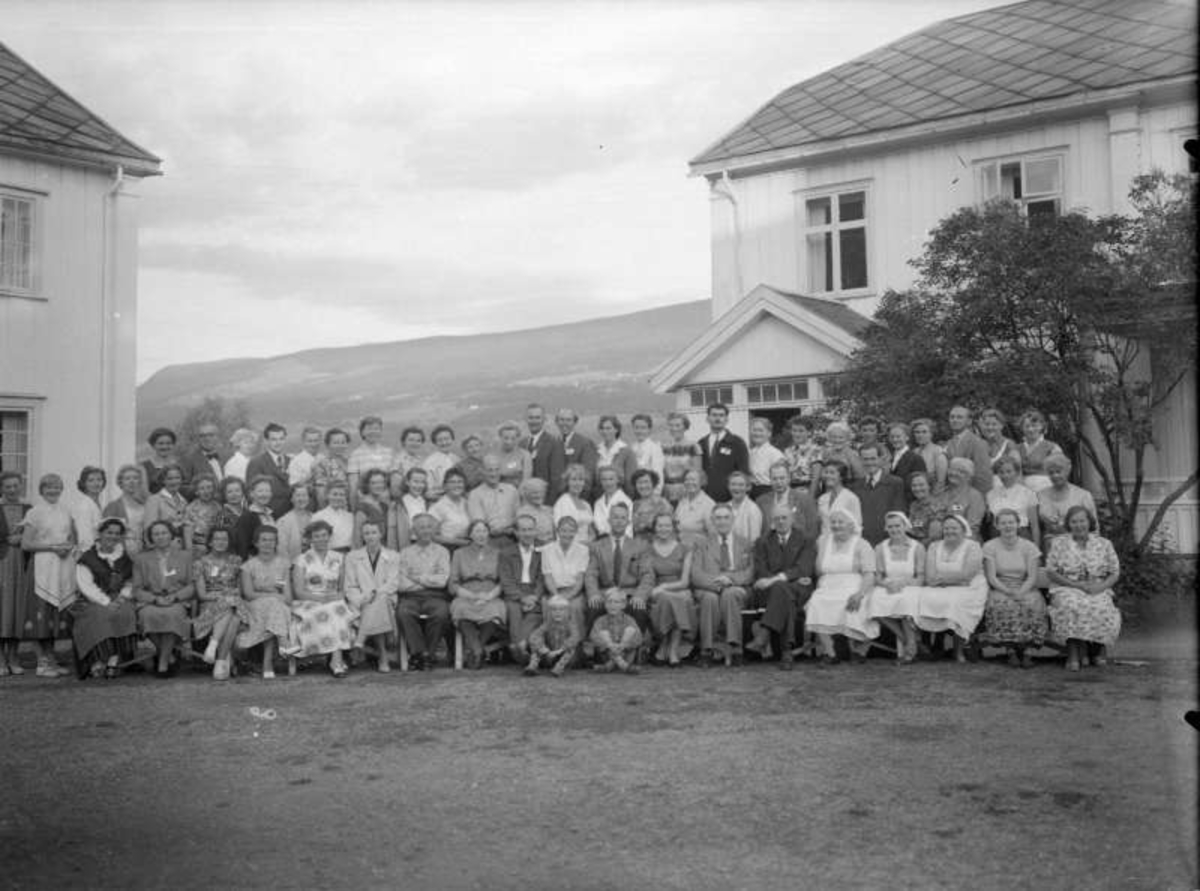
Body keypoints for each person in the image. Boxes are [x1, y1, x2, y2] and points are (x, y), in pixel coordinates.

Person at [1045, 505, 1122, 672]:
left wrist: (1100, 587)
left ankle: (1098, 648)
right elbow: (1051, 571)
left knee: (1101, 605)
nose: (1078, 525)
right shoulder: (1059, 543)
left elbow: (1115, 572)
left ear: (1089, 522)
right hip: (1066, 586)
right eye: (1074, 521)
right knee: (1071, 604)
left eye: (1082, 521)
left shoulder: (1104, 544)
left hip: (1097, 586)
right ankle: (1073, 653)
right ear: (1068, 524)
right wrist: (1074, 585)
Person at [19, 473, 76, 677]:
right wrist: (52, 547)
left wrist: (67, 546)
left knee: (55, 614)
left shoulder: (66, 510)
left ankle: (51, 659)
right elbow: (26, 544)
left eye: (57, 487)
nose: (53, 490)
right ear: (41, 490)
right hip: (42, 566)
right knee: (41, 613)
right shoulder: (35, 512)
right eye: (49, 487)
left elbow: (70, 537)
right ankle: (41, 663)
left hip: (61, 566)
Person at [804, 508, 879, 664]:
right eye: (833, 522)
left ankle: (858, 650)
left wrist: (860, 594)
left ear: (851, 525)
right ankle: (830, 652)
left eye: (841, 522)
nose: (836, 525)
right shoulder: (822, 541)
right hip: (827, 586)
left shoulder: (861, 544)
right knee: (816, 603)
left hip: (854, 585)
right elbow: (814, 568)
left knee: (857, 604)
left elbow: (869, 573)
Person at [747, 504, 817, 670]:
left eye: (784, 517)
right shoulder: (763, 541)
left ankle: (764, 634)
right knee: (783, 593)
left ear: (792, 520)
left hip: (800, 588)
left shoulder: (806, 540)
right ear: (772, 521)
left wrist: (776, 579)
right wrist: (775, 582)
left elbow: (804, 568)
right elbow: (761, 569)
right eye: (777, 518)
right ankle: (787, 651)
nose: (780, 521)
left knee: (781, 590)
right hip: (771, 591)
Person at [69, 516, 138, 679]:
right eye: (109, 532)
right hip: (93, 598)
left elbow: (131, 580)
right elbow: (86, 585)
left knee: (125, 613)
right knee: (98, 615)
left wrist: (122, 597)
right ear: (100, 533)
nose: (113, 537)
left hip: (120, 597)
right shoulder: (88, 557)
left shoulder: (125, 556)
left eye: (117, 533)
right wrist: (106, 602)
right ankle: (97, 660)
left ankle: (114, 661)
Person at [914, 514, 988, 662]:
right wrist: (952, 579)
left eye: (954, 528)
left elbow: (967, 575)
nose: (949, 531)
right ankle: (926, 647)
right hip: (943, 586)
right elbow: (930, 576)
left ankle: (958, 650)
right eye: (946, 528)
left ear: (963, 529)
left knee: (957, 602)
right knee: (920, 598)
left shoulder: (972, 546)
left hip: (971, 588)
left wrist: (942, 578)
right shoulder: (935, 546)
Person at [691, 504, 755, 667]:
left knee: (730, 594)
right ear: (712, 520)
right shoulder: (702, 543)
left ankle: (736, 649)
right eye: (718, 518)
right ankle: (706, 650)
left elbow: (750, 572)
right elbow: (696, 573)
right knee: (710, 598)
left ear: (733, 519)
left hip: (736, 587)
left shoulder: (745, 543)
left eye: (726, 517)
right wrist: (717, 584)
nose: (722, 521)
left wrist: (730, 580)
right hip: (709, 588)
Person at [979, 508, 1045, 668]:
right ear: (997, 526)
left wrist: (1021, 591)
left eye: (1011, 522)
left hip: (1025, 586)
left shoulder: (1029, 547)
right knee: (1001, 604)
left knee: (1032, 603)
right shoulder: (989, 546)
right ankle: (1010, 650)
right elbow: (992, 577)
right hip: (1001, 587)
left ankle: (1028, 651)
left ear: (1018, 524)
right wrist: (1008, 591)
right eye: (1003, 523)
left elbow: (1032, 576)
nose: (1007, 526)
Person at [291, 519, 353, 677]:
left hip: (333, 598)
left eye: (324, 535)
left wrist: (335, 597)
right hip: (308, 600)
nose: (321, 539)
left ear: (329, 536)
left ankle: (335, 660)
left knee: (336, 609)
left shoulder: (339, 557)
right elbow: (298, 591)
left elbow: (342, 588)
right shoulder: (301, 559)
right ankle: (337, 661)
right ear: (310, 539)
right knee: (327, 611)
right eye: (316, 536)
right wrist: (319, 599)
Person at [132, 519, 195, 677]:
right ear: (151, 538)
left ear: (171, 535)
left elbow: (192, 585)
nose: (160, 537)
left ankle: (162, 664)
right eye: (156, 534)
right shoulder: (141, 559)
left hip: (177, 600)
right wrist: (154, 599)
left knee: (171, 615)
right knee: (147, 615)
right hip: (151, 600)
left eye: (164, 533)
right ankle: (168, 656)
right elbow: (137, 589)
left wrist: (175, 597)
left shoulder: (185, 556)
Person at [236, 524, 295, 679]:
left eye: (272, 540)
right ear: (256, 543)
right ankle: (284, 644)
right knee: (272, 606)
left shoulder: (284, 564)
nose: (268, 543)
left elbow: (288, 597)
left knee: (274, 609)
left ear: (276, 543)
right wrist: (273, 596)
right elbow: (248, 594)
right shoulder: (248, 566)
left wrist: (275, 598)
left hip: (279, 607)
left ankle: (267, 663)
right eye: (264, 540)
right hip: (254, 606)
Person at [584, 502, 651, 639]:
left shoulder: (640, 545)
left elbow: (647, 575)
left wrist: (640, 595)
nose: (619, 521)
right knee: (593, 607)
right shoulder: (597, 546)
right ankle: (596, 649)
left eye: (623, 518)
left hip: (629, 594)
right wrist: (593, 594)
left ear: (628, 522)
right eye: (615, 517)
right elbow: (591, 573)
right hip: (605, 593)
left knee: (639, 609)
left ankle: (634, 647)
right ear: (609, 520)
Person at [396, 513, 452, 671]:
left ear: (434, 529)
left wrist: (416, 577)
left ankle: (425, 654)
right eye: (421, 527)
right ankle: (423, 654)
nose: (426, 530)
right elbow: (401, 584)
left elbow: (442, 580)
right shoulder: (405, 553)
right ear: (414, 531)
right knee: (404, 613)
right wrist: (428, 581)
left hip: (435, 596)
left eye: (429, 526)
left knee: (441, 613)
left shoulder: (442, 552)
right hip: (410, 597)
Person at [344, 519, 401, 672]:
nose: (370, 536)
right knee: (376, 606)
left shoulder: (393, 556)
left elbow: (393, 583)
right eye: (366, 533)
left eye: (374, 532)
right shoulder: (352, 557)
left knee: (380, 601)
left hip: (386, 597)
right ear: (362, 536)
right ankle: (382, 656)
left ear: (381, 534)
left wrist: (374, 594)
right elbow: (350, 586)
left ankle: (360, 641)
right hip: (361, 601)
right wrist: (363, 598)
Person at [868, 512, 925, 664]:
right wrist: (886, 584)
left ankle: (910, 648)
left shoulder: (917, 547)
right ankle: (907, 639)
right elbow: (877, 576)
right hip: (888, 585)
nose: (894, 529)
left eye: (897, 526)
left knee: (906, 601)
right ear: (886, 528)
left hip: (911, 585)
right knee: (873, 600)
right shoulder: (880, 547)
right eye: (890, 526)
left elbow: (920, 577)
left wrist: (904, 584)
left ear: (905, 526)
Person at [448, 519, 505, 669]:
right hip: (466, 594)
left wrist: (489, 596)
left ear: (488, 534)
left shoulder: (498, 553)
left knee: (495, 610)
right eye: (477, 531)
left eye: (484, 531)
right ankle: (478, 650)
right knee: (460, 609)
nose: (481, 535)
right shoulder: (459, 553)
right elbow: (453, 583)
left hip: (491, 594)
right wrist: (473, 596)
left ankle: (475, 650)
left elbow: (503, 581)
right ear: (470, 535)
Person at [191, 526, 246, 680]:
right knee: (233, 616)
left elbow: (240, 590)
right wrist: (223, 596)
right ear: (210, 542)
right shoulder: (200, 563)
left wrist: (228, 596)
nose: (221, 542)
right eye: (217, 539)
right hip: (210, 606)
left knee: (232, 607)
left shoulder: (236, 560)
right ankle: (222, 660)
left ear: (229, 542)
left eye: (224, 539)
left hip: (236, 604)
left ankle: (214, 646)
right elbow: (202, 594)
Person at [642, 513, 695, 667]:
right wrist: (657, 589)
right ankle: (668, 648)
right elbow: (647, 577)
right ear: (654, 528)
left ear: (673, 528)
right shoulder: (647, 550)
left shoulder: (685, 548)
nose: (663, 529)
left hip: (678, 588)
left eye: (667, 525)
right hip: (655, 590)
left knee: (676, 599)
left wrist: (664, 587)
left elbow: (685, 581)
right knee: (667, 600)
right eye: (660, 525)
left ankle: (668, 649)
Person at [498, 513, 547, 661]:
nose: (527, 533)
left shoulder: (543, 550)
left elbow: (543, 577)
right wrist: (522, 598)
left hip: (535, 592)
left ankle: (518, 645)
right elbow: (506, 580)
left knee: (535, 612)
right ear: (516, 532)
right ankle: (521, 645)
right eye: (523, 530)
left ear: (535, 531)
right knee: (513, 610)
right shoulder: (506, 552)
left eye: (530, 529)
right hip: (515, 593)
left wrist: (534, 597)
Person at [0, 472, 32, 675]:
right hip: (2, 562)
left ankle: (13, 656)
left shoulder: (29, 509)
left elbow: (37, 532)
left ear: (21, 486)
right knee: (2, 609)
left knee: (17, 610)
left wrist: (23, 538)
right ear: (2, 488)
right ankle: (0, 659)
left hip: (23, 564)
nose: (12, 490)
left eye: (15, 486)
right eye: (7, 486)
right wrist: (6, 541)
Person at [541, 516, 591, 636]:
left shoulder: (583, 550)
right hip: (554, 590)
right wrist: (557, 596)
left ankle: (577, 641)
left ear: (576, 532)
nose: (567, 534)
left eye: (571, 531)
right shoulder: (547, 550)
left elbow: (580, 579)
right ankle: (552, 642)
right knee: (549, 604)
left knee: (575, 606)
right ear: (557, 531)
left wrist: (568, 596)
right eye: (564, 530)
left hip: (575, 592)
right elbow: (548, 578)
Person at [851, 443, 907, 546]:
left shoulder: (895, 483)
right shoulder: (855, 487)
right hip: (863, 542)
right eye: (865, 459)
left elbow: (898, 514)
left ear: (880, 459)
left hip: (888, 541)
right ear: (860, 460)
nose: (869, 463)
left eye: (873, 458)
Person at [1036, 454, 1097, 549]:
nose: (1055, 475)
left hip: (1079, 545)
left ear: (1067, 472)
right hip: (1050, 545)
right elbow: (1037, 524)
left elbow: (1094, 526)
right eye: (1051, 473)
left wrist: (1093, 548)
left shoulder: (1083, 495)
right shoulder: (1041, 495)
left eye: (1058, 472)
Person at [697, 403, 749, 502]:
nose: (718, 418)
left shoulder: (737, 443)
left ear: (726, 419)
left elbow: (743, 473)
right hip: (705, 498)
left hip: (729, 497)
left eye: (721, 415)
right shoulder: (701, 443)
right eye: (714, 415)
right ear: (707, 419)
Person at [755, 461, 820, 540]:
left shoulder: (805, 500)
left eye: (782, 478)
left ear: (789, 478)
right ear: (770, 480)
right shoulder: (761, 501)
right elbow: (759, 532)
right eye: (775, 479)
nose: (778, 482)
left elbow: (813, 531)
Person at [468, 454, 520, 546]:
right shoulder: (475, 494)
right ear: (482, 471)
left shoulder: (511, 490)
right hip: (489, 539)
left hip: (513, 537)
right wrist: (503, 530)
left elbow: (518, 515)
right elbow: (479, 523)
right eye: (489, 470)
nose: (493, 474)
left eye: (497, 470)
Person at [245, 422, 293, 519]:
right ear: (266, 441)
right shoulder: (256, 462)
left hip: (290, 515)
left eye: (281, 439)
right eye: (273, 439)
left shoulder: (292, 462)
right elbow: (250, 495)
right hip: (268, 516)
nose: (278, 442)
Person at [523, 595, 580, 677]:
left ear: (567, 612)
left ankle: (558, 668)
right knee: (537, 641)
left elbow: (575, 637)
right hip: (549, 654)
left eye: (561, 610)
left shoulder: (570, 624)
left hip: (563, 654)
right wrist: (543, 648)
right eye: (554, 610)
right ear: (550, 612)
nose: (558, 612)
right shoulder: (547, 624)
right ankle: (532, 667)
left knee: (572, 648)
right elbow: (534, 636)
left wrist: (560, 650)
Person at [986, 456, 1039, 542]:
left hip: (1021, 534)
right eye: (1001, 472)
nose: (1005, 475)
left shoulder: (1028, 493)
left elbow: (1034, 525)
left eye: (1009, 472)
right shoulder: (991, 494)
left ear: (1017, 473)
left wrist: (1036, 547)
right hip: (997, 535)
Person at [932, 458, 986, 540]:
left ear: (968, 477)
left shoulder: (974, 496)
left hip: (965, 539)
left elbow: (973, 528)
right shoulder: (942, 493)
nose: (953, 473)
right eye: (951, 470)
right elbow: (934, 516)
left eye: (960, 472)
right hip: (941, 538)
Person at [589, 590, 642, 674]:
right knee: (603, 633)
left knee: (630, 631)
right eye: (609, 602)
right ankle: (624, 666)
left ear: (623, 605)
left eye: (616, 602)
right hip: (607, 654)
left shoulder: (629, 619)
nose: (612, 605)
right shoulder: (600, 620)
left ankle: (608, 666)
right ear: (605, 605)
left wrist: (622, 646)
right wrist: (610, 645)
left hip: (626, 654)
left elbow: (638, 637)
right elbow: (593, 636)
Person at [944, 406, 993, 494]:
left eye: (959, 417)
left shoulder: (978, 443)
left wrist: (978, 499)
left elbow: (983, 476)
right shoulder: (949, 443)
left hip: (971, 495)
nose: (955, 420)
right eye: (952, 417)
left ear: (969, 421)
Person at [103, 464, 148, 556]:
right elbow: (106, 537)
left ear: (140, 482)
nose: (132, 482)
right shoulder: (112, 507)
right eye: (127, 479)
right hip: (121, 555)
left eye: (135, 478)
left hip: (143, 554)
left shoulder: (146, 505)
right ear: (121, 482)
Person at [521, 404, 564, 500]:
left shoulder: (554, 443)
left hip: (544, 500)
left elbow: (556, 479)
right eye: (531, 418)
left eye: (537, 418)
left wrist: (549, 503)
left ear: (544, 419)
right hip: (524, 500)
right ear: (526, 419)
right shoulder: (521, 443)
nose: (534, 421)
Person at [347, 416, 393, 507]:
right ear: (362, 432)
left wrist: (387, 494)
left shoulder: (389, 452)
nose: (373, 431)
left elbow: (392, 480)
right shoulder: (355, 454)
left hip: (386, 499)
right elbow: (354, 485)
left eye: (376, 428)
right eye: (369, 428)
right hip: (365, 500)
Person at [179, 422, 230, 499]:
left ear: (218, 437)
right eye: (202, 436)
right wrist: (202, 492)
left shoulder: (227, 457)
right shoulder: (188, 459)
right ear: (198, 439)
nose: (207, 438)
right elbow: (182, 487)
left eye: (211, 435)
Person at [231, 476, 277, 560]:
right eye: (260, 491)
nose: (264, 494)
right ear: (251, 494)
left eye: (267, 491)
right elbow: (242, 548)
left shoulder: (272, 515)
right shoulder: (246, 518)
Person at [1017, 409, 1063, 493]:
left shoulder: (1052, 447)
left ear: (1041, 426)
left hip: (1046, 489)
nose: (1030, 429)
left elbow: (1060, 472)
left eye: (1034, 426)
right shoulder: (1017, 448)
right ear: (1022, 428)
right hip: (1022, 490)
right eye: (1027, 426)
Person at [661, 411, 702, 504]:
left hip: (685, 491)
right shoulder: (663, 446)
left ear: (685, 427)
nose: (674, 428)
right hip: (666, 491)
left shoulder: (694, 446)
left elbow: (697, 474)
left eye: (678, 425)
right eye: (671, 425)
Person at [557, 409, 599, 496]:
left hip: (578, 494)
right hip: (558, 495)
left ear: (574, 422)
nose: (564, 423)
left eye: (568, 420)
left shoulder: (585, 443)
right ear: (557, 422)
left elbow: (588, 474)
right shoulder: (554, 442)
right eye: (561, 420)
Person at [143, 464, 189, 542]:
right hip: (162, 548)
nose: (174, 481)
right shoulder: (154, 500)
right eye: (169, 478)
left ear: (182, 479)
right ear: (163, 480)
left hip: (181, 548)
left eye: (177, 478)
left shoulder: (184, 501)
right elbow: (148, 529)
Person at [430, 468, 472, 551]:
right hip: (447, 550)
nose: (457, 485)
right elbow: (432, 536)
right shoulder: (438, 507)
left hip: (468, 549)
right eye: (452, 482)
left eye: (460, 482)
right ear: (445, 486)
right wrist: (457, 542)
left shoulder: (468, 503)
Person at [816, 460, 862, 536]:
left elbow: (857, 527)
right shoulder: (822, 498)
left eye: (832, 473)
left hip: (844, 543)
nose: (828, 476)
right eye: (826, 472)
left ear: (841, 476)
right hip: (825, 543)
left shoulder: (851, 498)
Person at [595, 415, 638, 497]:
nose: (605, 431)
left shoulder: (627, 451)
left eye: (608, 428)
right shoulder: (596, 451)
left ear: (616, 429)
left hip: (621, 497)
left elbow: (630, 481)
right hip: (599, 497)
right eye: (602, 428)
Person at [553, 464, 595, 544]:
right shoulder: (563, 502)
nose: (577, 483)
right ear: (567, 482)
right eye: (574, 479)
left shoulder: (586, 505)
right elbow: (561, 532)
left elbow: (591, 532)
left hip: (586, 548)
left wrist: (589, 541)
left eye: (581, 480)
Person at [353, 468, 394, 549]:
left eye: (381, 482)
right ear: (367, 485)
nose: (379, 486)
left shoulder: (384, 506)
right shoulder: (362, 507)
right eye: (374, 483)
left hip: (384, 551)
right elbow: (357, 538)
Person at [182, 474, 222, 556]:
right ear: (196, 492)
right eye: (202, 488)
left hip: (214, 546)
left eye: (209, 487)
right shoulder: (191, 508)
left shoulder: (218, 507)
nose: (206, 491)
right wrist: (189, 550)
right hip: (197, 547)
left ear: (214, 489)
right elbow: (187, 531)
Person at [747, 417, 785, 501]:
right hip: (751, 493)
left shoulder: (776, 454)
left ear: (769, 433)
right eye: (754, 430)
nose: (757, 433)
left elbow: (782, 480)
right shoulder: (750, 453)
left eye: (760, 430)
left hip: (769, 493)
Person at [979, 409, 1020, 488]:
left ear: (1001, 426)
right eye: (987, 424)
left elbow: (1017, 472)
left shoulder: (1009, 445)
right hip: (983, 488)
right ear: (982, 426)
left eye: (994, 424)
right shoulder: (979, 444)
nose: (990, 427)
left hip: (1004, 488)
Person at [312, 427, 352, 508]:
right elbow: (321, 494)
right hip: (330, 508)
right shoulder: (321, 465)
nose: (340, 445)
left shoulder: (351, 462)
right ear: (327, 445)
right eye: (336, 442)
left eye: (343, 442)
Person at [70, 466, 107, 552]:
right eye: (91, 480)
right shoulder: (84, 506)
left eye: (99, 479)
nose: (96, 483)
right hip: (89, 555)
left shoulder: (98, 504)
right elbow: (85, 539)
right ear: (84, 483)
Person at [817, 421, 864, 488]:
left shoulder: (852, 454)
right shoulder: (826, 453)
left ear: (847, 438)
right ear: (829, 438)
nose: (837, 440)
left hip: (847, 490)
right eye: (834, 437)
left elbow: (860, 477)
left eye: (841, 437)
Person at [276, 483, 315, 562]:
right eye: (298, 495)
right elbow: (281, 550)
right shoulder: (283, 521)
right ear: (291, 499)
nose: (301, 499)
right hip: (293, 566)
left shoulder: (315, 518)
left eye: (304, 495)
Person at [886, 423, 927, 497]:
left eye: (898, 436)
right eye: (892, 437)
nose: (895, 439)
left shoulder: (915, 458)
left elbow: (921, 485)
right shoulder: (889, 457)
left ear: (907, 437)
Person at [629, 469, 672, 540]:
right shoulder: (634, 504)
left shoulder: (662, 503)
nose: (643, 486)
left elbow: (669, 529)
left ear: (653, 484)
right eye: (639, 482)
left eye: (646, 482)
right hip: (637, 545)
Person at [311, 481, 354, 552]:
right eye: (335, 494)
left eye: (341, 495)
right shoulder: (318, 516)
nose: (338, 497)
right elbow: (314, 544)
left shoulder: (350, 517)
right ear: (327, 495)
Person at [592, 466, 633, 538]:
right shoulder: (598, 503)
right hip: (602, 542)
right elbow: (598, 527)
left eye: (611, 479)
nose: (608, 483)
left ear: (618, 480)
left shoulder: (626, 501)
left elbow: (628, 529)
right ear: (600, 481)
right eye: (604, 479)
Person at [629, 414, 665, 495]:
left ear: (649, 429)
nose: (639, 431)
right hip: (635, 491)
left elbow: (658, 473)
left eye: (643, 428)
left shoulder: (655, 448)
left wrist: (656, 493)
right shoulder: (631, 447)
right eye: (636, 427)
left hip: (649, 491)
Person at [783, 415, 821, 492]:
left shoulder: (815, 450)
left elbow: (816, 479)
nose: (797, 434)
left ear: (809, 432)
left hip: (809, 489)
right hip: (792, 490)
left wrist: (810, 497)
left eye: (801, 431)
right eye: (794, 430)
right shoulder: (788, 451)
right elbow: (786, 475)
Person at [910, 418, 948, 494]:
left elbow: (941, 483)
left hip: (934, 495)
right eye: (917, 432)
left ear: (931, 434)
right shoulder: (914, 452)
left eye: (924, 432)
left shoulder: (938, 453)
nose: (920, 435)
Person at [422, 424, 458, 500]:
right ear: (435, 443)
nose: (444, 443)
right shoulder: (429, 462)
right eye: (440, 440)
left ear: (452, 439)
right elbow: (427, 489)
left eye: (447, 439)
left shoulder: (456, 458)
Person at [516, 477, 556, 545]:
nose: (539, 495)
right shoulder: (522, 513)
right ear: (527, 494)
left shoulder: (549, 510)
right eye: (535, 493)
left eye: (541, 492)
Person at [395, 467, 430, 546]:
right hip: (407, 544)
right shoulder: (399, 504)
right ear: (407, 482)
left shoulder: (426, 502)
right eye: (415, 482)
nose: (419, 485)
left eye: (422, 482)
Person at [725, 472, 762, 544]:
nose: (736, 488)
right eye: (733, 484)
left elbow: (755, 540)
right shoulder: (725, 507)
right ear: (728, 486)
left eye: (741, 485)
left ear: (748, 487)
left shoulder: (753, 509)